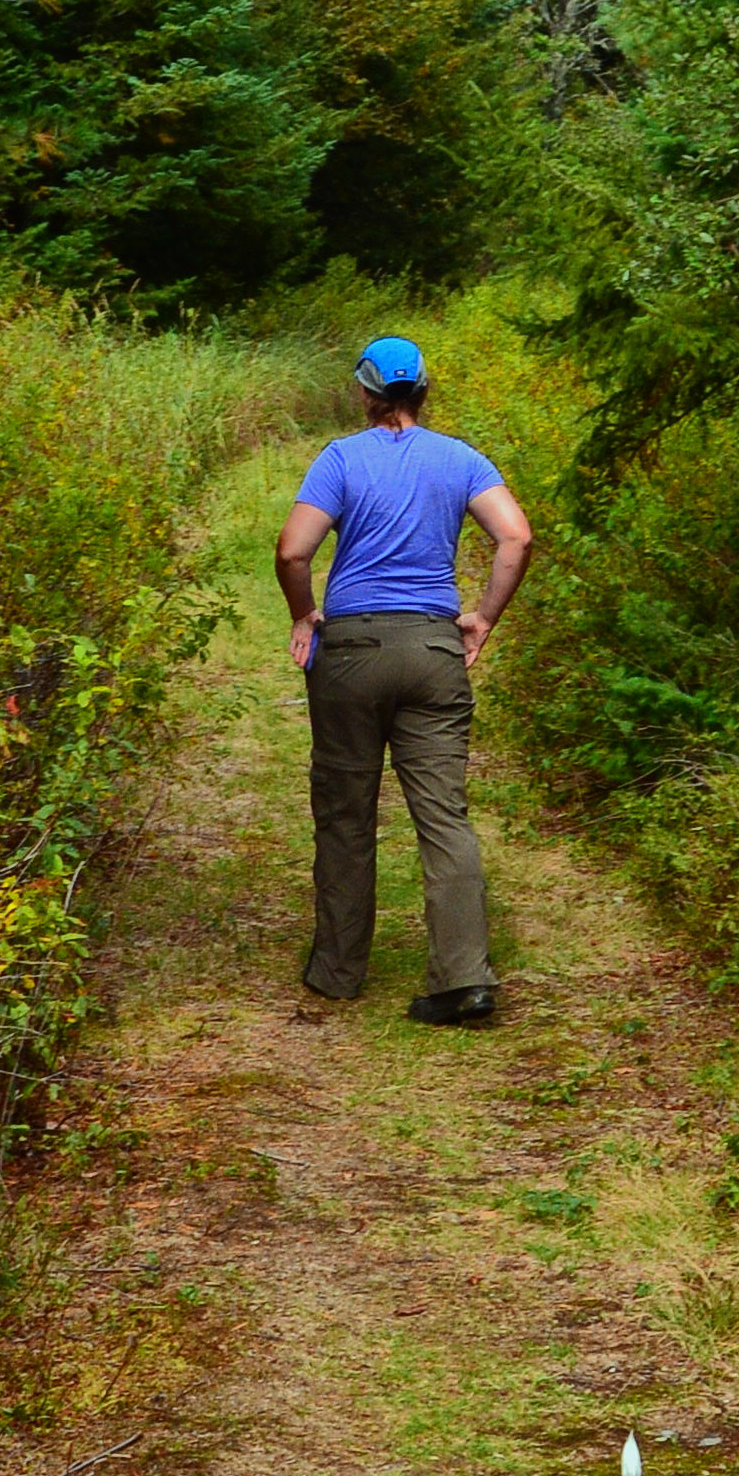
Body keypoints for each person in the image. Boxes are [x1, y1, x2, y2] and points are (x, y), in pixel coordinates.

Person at [276, 331, 534, 1025]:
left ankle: (336, 972)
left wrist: (305, 615)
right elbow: (516, 537)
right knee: (443, 816)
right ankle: (463, 980)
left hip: (353, 650)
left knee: (345, 811)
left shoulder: (340, 459)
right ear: (424, 390)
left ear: (363, 393)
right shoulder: (460, 459)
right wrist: (481, 618)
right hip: (431, 650)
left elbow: (293, 550)